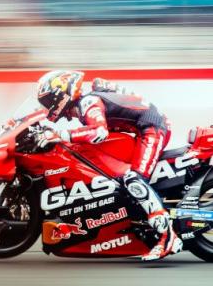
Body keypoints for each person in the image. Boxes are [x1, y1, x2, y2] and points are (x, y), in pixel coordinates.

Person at [34, 70, 182, 261]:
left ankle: (168, 236)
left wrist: (60, 134)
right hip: (140, 129)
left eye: (48, 100)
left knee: (134, 179)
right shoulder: (86, 102)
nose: (47, 106)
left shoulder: (88, 102)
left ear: (61, 94)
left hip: (151, 127)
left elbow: (99, 132)